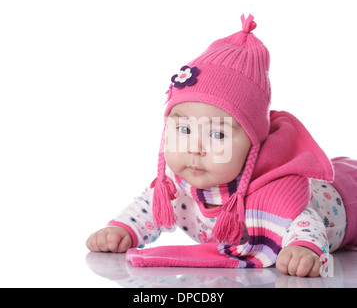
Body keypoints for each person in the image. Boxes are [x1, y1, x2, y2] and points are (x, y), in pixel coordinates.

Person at [86, 14, 357, 277]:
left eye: (217, 135)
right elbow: (148, 208)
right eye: (184, 130)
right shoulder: (175, 184)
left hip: (347, 194)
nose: (195, 148)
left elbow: (306, 221)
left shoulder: (277, 189)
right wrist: (121, 230)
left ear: (253, 144)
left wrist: (302, 248)